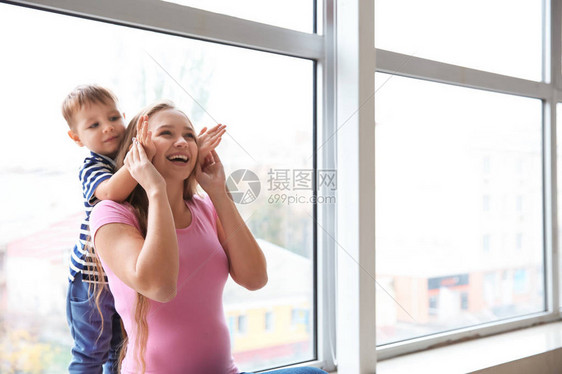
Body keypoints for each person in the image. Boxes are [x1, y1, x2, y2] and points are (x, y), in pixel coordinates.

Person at [89, 100, 327, 374]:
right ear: (137, 149)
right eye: (166, 133)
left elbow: (255, 278)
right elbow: (160, 287)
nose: (182, 142)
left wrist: (218, 193)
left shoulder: (206, 207)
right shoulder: (112, 215)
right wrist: (155, 189)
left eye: (189, 135)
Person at [62, 86, 225, 373]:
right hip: (90, 279)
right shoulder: (94, 166)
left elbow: (169, 157)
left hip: (120, 273)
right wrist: (143, 156)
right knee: (90, 353)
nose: (108, 128)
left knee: (120, 349)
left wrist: (188, 146)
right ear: (76, 138)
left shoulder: (128, 156)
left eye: (113, 117)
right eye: (94, 125)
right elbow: (111, 191)